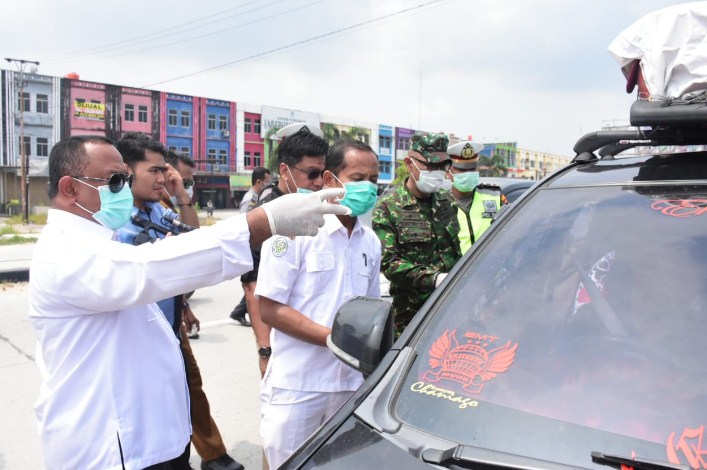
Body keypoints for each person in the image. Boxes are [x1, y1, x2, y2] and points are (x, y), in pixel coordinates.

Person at [28, 134, 348, 469]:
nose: (125, 188)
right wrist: (259, 223)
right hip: (109, 448)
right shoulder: (64, 253)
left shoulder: (98, 242)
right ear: (70, 188)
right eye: (115, 180)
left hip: (143, 440)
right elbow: (149, 269)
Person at [116, 135, 244, 470]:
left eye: (165, 171)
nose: (162, 178)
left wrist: (182, 196)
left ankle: (196, 456)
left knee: (187, 391)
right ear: (126, 170)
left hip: (169, 329)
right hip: (137, 339)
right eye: (155, 171)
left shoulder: (158, 208)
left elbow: (194, 241)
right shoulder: (113, 222)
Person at [256, 138, 382, 469]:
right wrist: (333, 338)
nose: (368, 187)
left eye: (374, 179)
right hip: (299, 387)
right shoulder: (293, 230)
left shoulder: (370, 241)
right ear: (330, 180)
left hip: (350, 386)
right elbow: (269, 308)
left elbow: (370, 310)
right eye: (357, 178)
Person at [229, 123, 328, 378]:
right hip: (283, 342)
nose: (319, 182)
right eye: (311, 173)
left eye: (323, 174)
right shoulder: (266, 213)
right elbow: (253, 288)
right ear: (285, 171)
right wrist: (265, 349)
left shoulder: (316, 206)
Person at [372, 132, 462, 335]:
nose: (436, 172)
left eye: (441, 166)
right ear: (409, 164)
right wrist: (435, 279)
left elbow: (455, 252)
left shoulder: (447, 202)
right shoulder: (389, 207)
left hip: (450, 310)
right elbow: (389, 262)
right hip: (411, 319)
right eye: (429, 166)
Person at [446, 141, 506, 255]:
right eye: (462, 170)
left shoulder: (494, 196)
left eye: (472, 169)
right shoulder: (439, 203)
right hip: (456, 271)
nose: (468, 174)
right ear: (448, 172)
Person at [230, 167, 272, 326]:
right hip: (249, 246)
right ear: (259, 181)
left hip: (256, 246)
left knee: (257, 281)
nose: (268, 183)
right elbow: (245, 222)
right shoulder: (250, 199)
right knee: (253, 283)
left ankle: (239, 311)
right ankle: (240, 312)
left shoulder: (259, 196)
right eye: (266, 180)